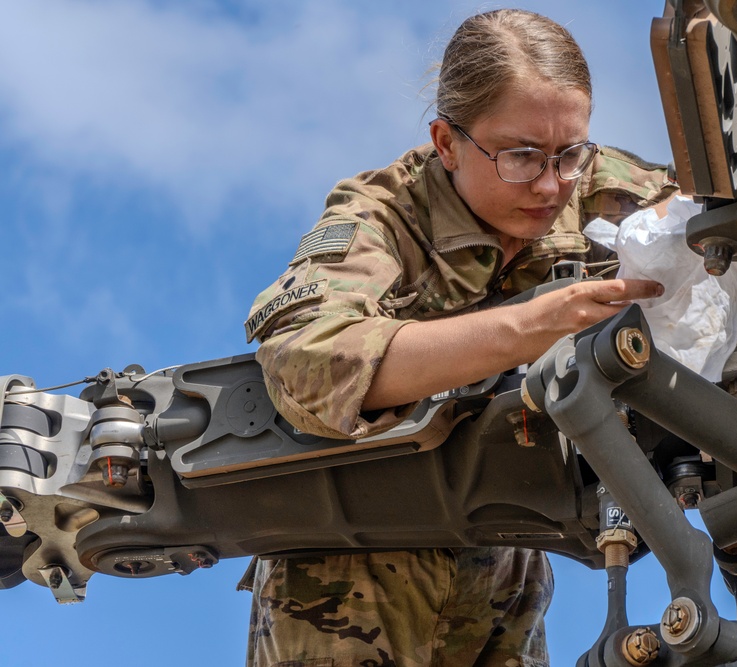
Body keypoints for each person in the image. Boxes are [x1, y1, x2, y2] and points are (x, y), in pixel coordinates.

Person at [243, 9, 676, 667]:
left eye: (569, 151)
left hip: (507, 560)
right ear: (447, 143)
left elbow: (719, 231)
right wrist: (529, 326)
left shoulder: (597, 187)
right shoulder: (382, 216)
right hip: (350, 571)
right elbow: (306, 360)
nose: (552, 182)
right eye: (521, 155)